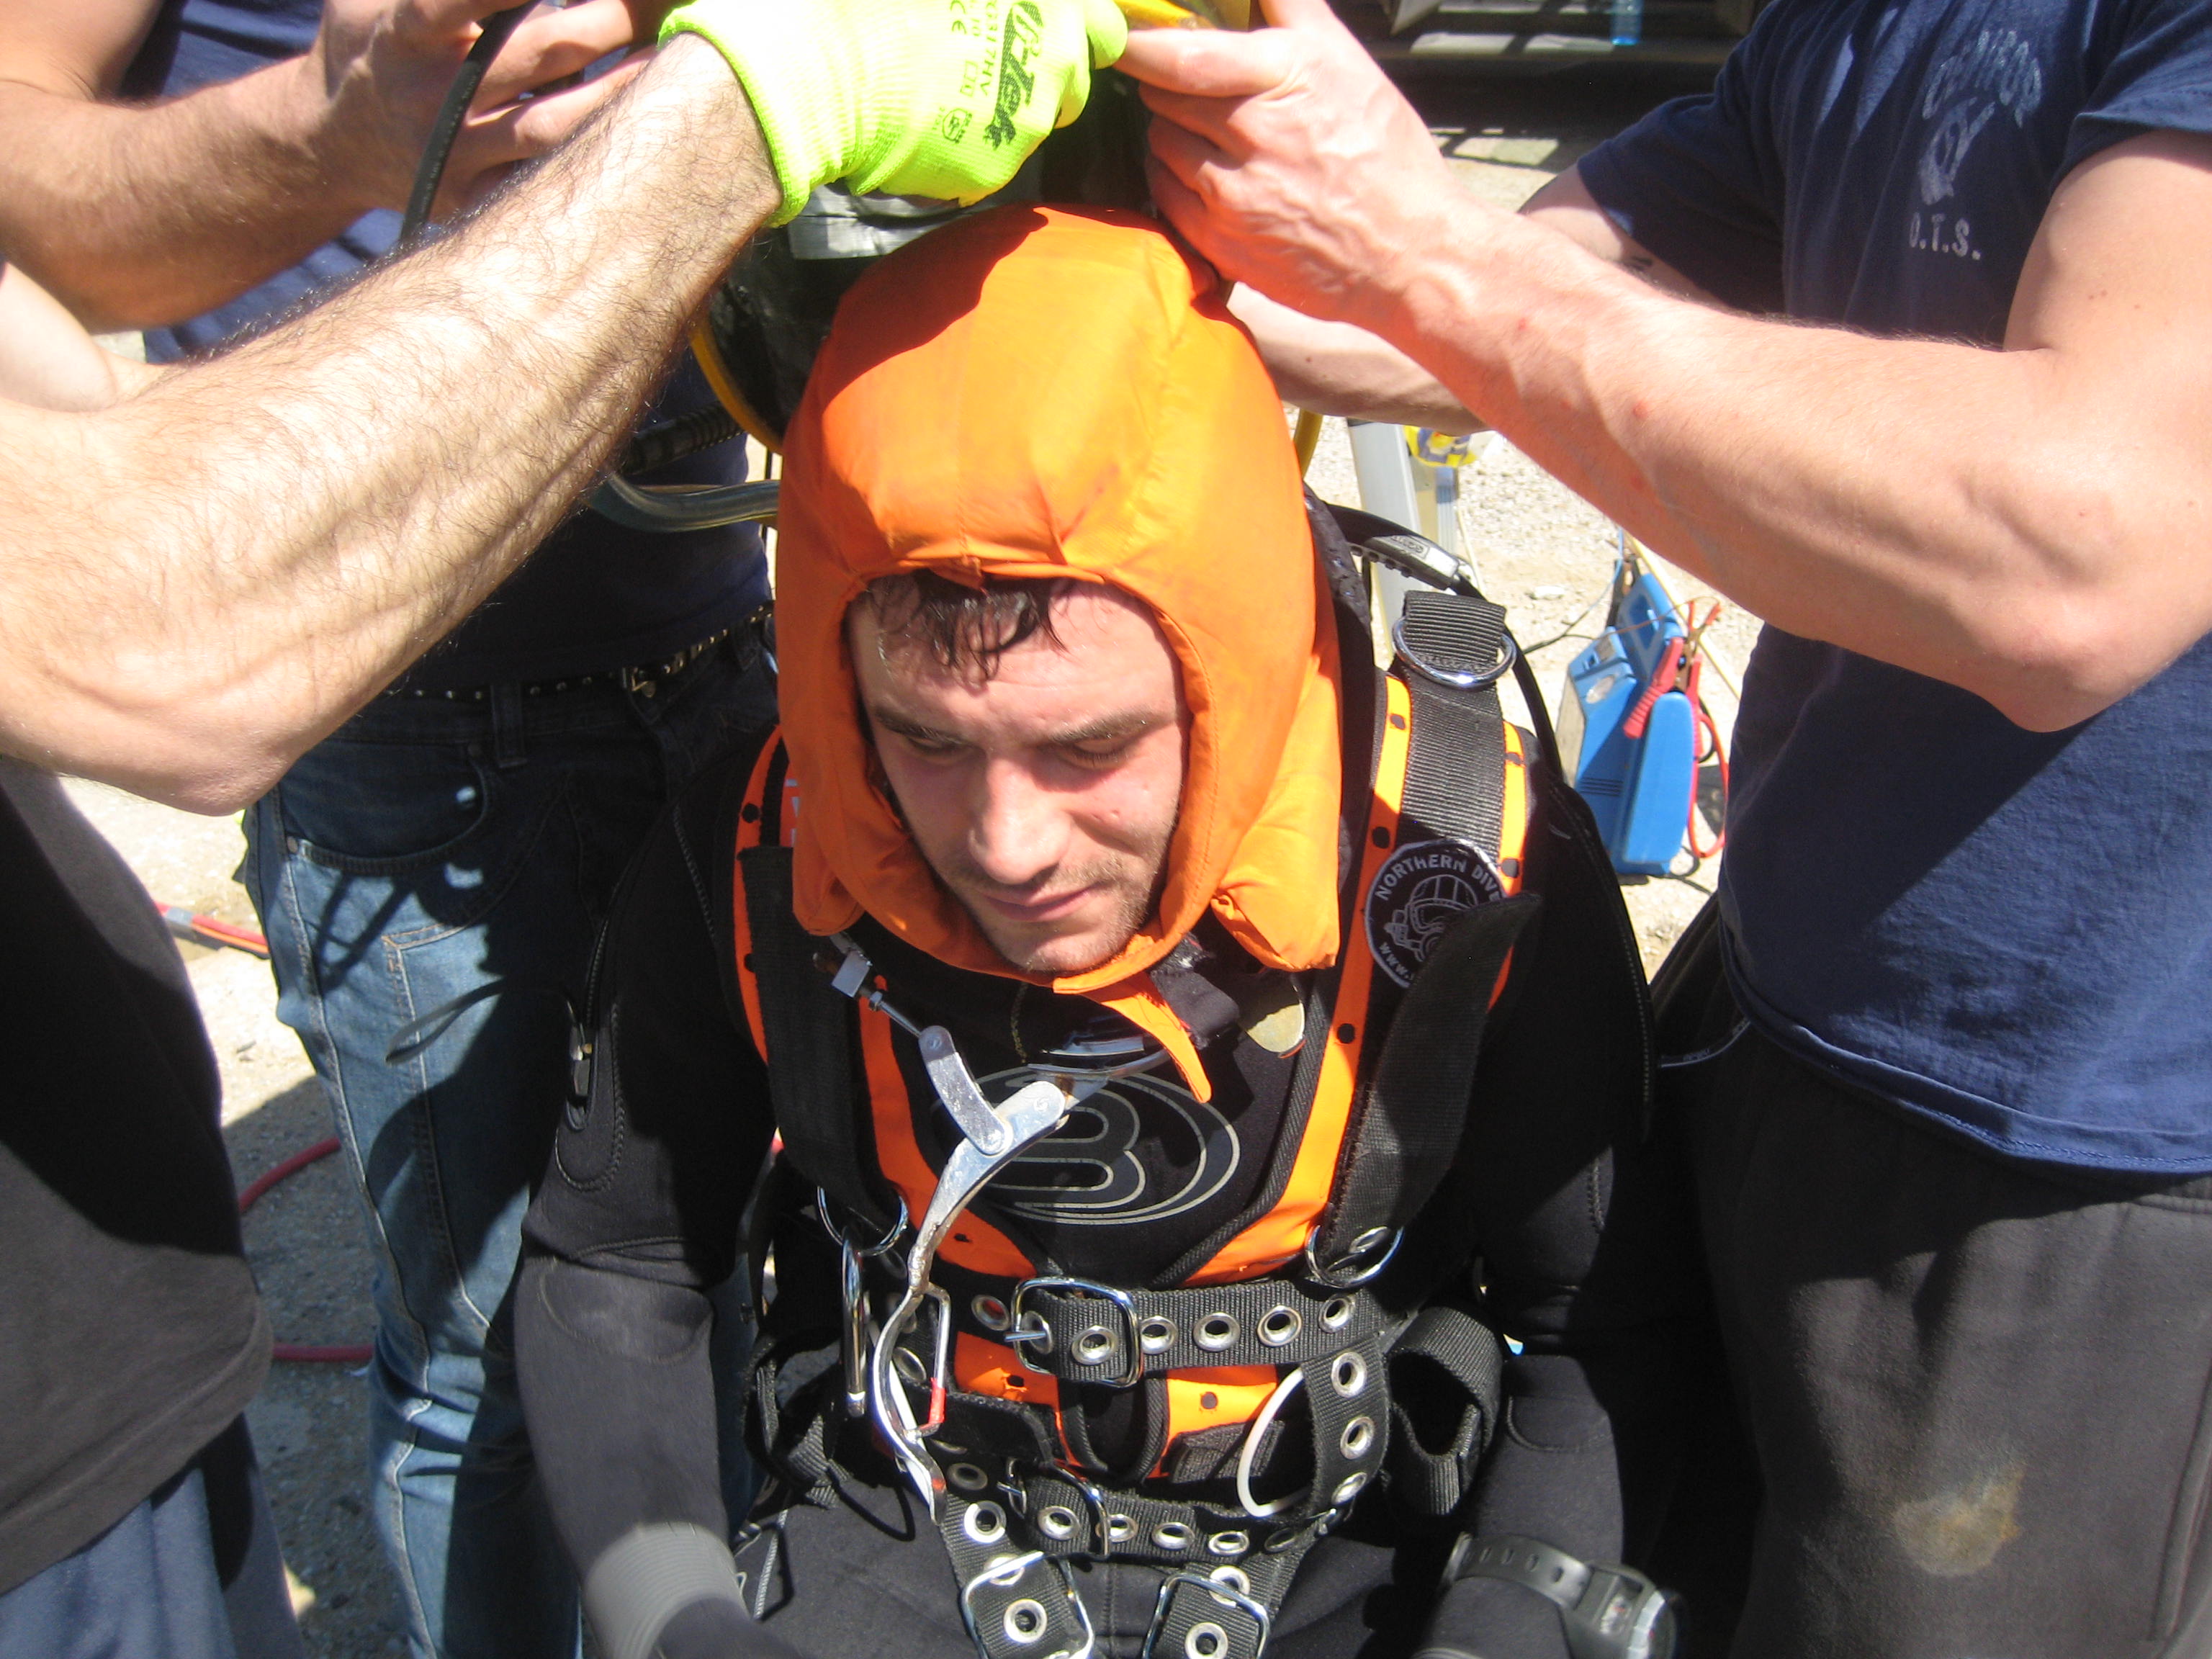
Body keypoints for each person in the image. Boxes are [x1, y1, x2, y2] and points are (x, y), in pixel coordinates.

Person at [0, 0, 1122, 1647]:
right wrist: (330, 131)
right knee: (495, 1352)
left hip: (732, 646)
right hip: (412, 721)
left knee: (712, 1260)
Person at [1118, 1, 2212, 1654]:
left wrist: (1422, 249)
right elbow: (1551, 297)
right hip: (1778, 1001)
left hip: (2067, 1156)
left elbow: (2076, 559)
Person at [513, 204, 1699, 1659]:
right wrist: (678, 1622)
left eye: (1089, 747)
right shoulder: (766, 841)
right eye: (925, 739)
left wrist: (1503, 1624)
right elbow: (618, 1265)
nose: (1006, 844)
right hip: (916, 1514)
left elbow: (1601, 1331)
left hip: (1338, 1534)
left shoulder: (1454, 851)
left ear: (1233, 680)